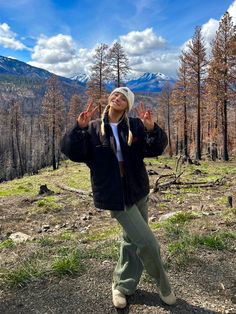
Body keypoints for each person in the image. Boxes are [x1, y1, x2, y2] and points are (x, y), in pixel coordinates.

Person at [61, 87, 176, 309]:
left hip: (138, 190)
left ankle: (122, 285)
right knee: (148, 243)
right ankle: (164, 285)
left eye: (124, 98)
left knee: (130, 240)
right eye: (116, 95)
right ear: (110, 99)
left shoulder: (134, 126)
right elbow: (73, 152)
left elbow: (154, 149)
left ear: (128, 105)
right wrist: (78, 128)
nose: (118, 98)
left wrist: (152, 130)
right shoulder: (94, 128)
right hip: (115, 196)